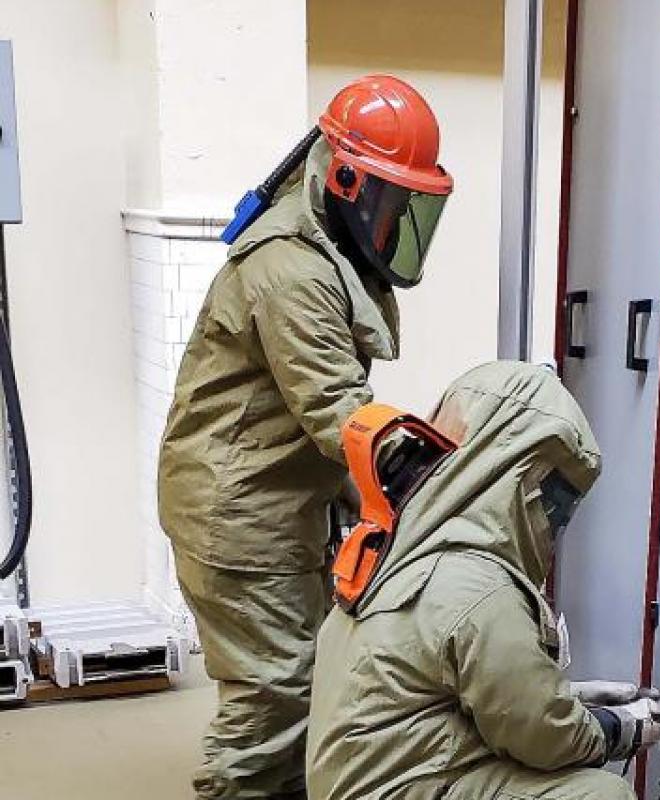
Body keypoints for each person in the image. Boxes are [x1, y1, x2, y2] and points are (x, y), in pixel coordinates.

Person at [157, 75, 453, 800]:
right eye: (385, 203)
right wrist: (451, 483)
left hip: (265, 500)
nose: (390, 226)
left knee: (298, 684)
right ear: (344, 179)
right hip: (241, 519)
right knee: (273, 703)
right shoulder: (292, 270)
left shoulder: (325, 243)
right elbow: (337, 413)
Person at [306, 361, 660, 800]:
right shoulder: (476, 584)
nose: (556, 520)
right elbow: (542, 737)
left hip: (382, 781)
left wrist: (567, 698)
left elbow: (441, 694)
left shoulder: (406, 544)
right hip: (403, 788)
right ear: (509, 478)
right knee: (600, 794)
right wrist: (614, 730)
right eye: (553, 498)